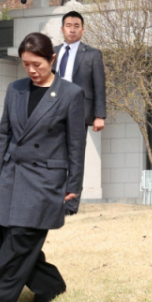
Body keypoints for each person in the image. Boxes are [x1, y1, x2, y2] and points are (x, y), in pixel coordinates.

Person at [0, 32, 86, 302]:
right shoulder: (15, 90)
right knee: (9, 240)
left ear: (51, 59)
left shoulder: (70, 94)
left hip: (45, 181)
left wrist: (73, 189)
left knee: (20, 240)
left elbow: (76, 146)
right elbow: (5, 135)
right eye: (25, 64)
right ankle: (51, 285)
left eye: (37, 63)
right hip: (13, 177)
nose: (31, 70)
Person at [54, 11, 105, 211]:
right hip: (54, 111)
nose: (72, 29)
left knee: (75, 157)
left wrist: (99, 115)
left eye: (76, 25)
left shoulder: (92, 54)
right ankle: (53, 200)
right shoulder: (52, 52)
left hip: (79, 111)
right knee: (54, 156)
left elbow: (99, 87)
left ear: (82, 30)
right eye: (68, 25)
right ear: (62, 29)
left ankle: (71, 204)